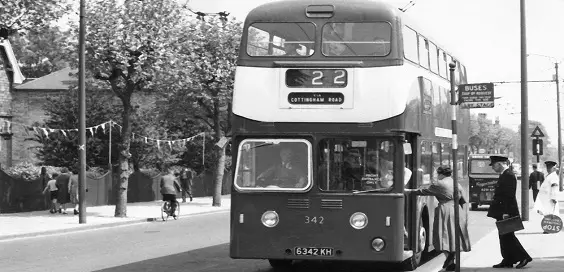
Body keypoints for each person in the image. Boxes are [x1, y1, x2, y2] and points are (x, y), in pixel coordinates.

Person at [405, 166, 471, 271]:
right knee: (454, 236)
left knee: (442, 236)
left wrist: (408, 191)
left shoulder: (439, 184)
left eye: (437, 173)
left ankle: (449, 260)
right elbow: (463, 200)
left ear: (440, 174)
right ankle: (450, 262)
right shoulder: (456, 183)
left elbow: (423, 191)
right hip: (457, 210)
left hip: (445, 210)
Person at [487, 155, 532, 269]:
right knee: (504, 236)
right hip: (502, 211)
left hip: (506, 211)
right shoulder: (504, 175)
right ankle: (508, 259)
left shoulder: (508, 176)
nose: (493, 168)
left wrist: (505, 212)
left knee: (508, 236)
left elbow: (509, 196)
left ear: (500, 164)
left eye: (493, 165)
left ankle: (524, 257)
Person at [534, 160, 560, 232]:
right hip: (546, 198)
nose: (548, 169)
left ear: (553, 168)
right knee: (546, 213)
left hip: (550, 199)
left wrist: (553, 198)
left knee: (550, 213)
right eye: (547, 167)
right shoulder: (549, 175)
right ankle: (548, 229)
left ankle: (549, 229)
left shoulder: (553, 176)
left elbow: (554, 187)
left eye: (550, 167)